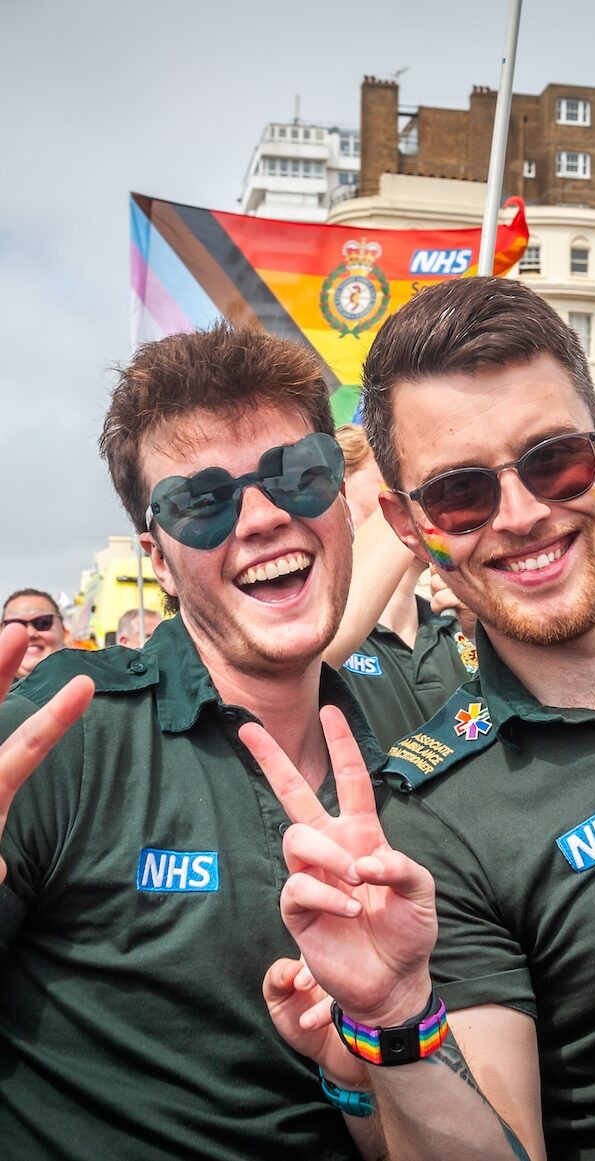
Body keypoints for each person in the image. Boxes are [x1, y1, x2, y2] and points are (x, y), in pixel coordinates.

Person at [259, 276, 595, 1160]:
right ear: (408, 525)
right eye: (462, 494)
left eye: (555, 459)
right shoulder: (432, 816)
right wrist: (396, 1021)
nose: (525, 514)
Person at [0, 322, 389, 1159]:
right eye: (202, 502)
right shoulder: (66, 729)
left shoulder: (419, 733)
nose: (260, 516)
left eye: (299, 474)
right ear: (160, 559)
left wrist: (360, 1068)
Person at [330, 424, 476, 749]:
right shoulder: (316, 631)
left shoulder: (454, 625)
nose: (437, 497)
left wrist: (489, 633)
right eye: (389, 475)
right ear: (338, 492)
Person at [1, 588, 66, 679]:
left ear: (63, 631)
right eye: (15, 625)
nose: (30, 633)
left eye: (42, 623)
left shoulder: (91, 678)